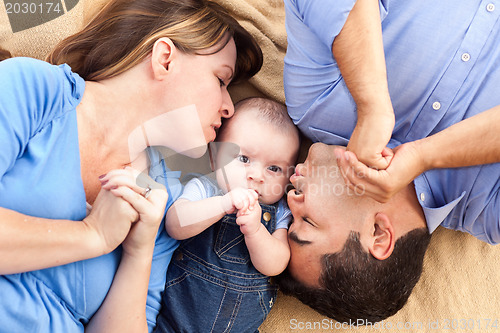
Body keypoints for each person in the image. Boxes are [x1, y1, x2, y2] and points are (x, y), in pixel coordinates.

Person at [0, 0, 263, 331]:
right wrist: (92, 235)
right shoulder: (34, 90)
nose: (229, 108)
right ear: (164, 58)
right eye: (221, 80)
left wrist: (138, 252)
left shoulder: (162, 198)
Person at [277, 0, 500, 324]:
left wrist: (373, 104)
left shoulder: (315, 105)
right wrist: (426, 155)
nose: (290, 199)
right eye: (305, 222)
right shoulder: (489, 211)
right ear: (379, 234)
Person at [155, 97, 300, 332]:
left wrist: (255, 231)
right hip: (177, 319)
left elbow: (276, 264)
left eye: (274, 168)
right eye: (244, 159)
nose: (257, 175)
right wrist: (222, 205)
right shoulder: (206, 189)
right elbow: (175, 224)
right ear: (215, 159)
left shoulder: (281, 210)